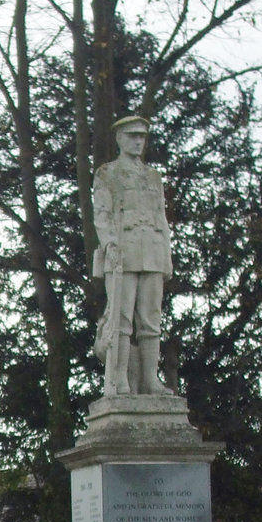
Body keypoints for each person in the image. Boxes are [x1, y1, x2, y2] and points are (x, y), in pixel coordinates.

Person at [92, 115, 174, 396]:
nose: (138, 141)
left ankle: (150, 380)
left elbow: (160, 216)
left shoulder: (153, 176)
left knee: (151, 320)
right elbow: (101, 214)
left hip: (152, 250)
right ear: (119, 139)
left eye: (142, 136)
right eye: (132, 136)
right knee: (121, 320)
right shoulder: (107, 174)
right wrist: (109, 245)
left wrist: (167, 254)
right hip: (123, 253)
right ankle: (119, 380)